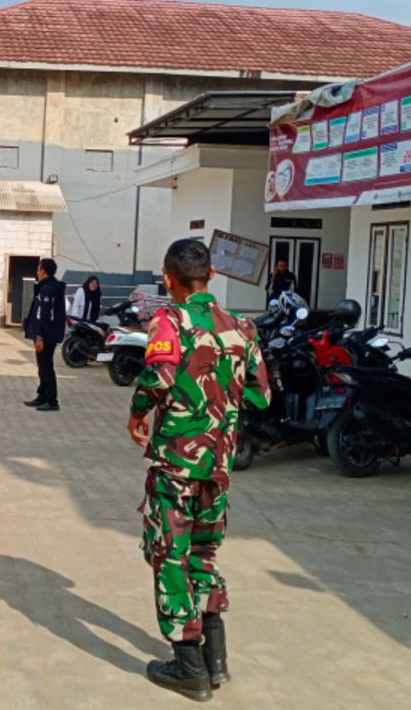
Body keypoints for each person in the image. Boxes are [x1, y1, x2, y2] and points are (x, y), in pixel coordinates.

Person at [127, 239, 271, 701]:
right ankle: (217, 661)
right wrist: (220, 406)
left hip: (176, 465)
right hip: (220, 467)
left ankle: (188, 664)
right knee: (203, 555)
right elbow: (260, 395)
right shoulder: (242, 329)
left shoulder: (171, 320)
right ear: (210, 276)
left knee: (170, 554)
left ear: (169, 279)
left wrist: (137, 414)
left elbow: (159, 377)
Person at [22, 258, 66, 411]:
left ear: (43, 271)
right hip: (47, 333)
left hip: (46, 335)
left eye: (38, 269)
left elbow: (46, 314)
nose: (37, 273)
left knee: (46, 367)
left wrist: (40, 336)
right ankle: (42, 396)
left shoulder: (47, 289)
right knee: (42, 366)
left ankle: (52, 401)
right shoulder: (49, 287)